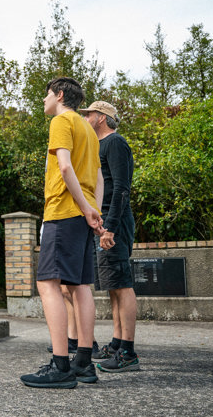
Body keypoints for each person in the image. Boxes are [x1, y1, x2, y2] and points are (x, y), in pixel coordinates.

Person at [21, 77, 105, 389]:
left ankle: (60, 365)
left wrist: (84, 209)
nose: (44, 101)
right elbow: (98, 178)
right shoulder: (88, 129)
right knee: (81, 286)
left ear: (59, 95)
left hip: (63, 212)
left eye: (46, 95)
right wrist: (94, 213)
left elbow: (66, 168)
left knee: (47, 284)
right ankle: (84, 363)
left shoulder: (62, 120)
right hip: (82, 216)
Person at [80, 100, 140, 372]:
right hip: (104, 224)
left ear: (102, 117)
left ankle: (128, 352)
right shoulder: (99, 145)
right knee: (114, 285)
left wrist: (111, 229)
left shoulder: (116, 143)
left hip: (114, 225)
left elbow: (122, 190)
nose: (86, 117)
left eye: (89, 113)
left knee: (122, 283)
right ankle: (116, 344)